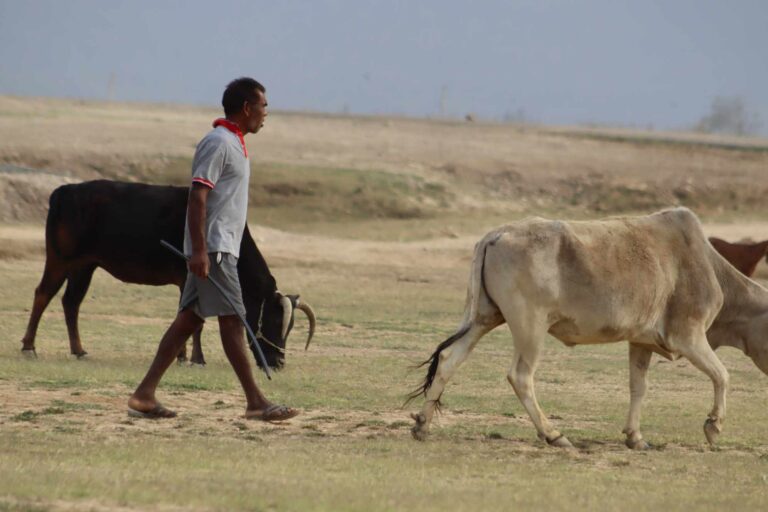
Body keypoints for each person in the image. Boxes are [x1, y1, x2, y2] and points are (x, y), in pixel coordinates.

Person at [127, 78, 298, 422]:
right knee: (234, 321)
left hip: (220, 249)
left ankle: (144, 395)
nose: (266, 113)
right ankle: (255, 402)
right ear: (247, 108)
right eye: (263, 106)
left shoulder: (234, 142)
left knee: (188, 321)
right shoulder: (218, 142)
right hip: (216, 250)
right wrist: (200, 251)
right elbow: (197, 197)